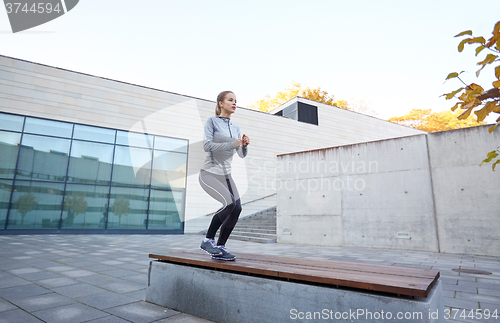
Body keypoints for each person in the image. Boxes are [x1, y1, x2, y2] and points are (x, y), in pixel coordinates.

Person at [199, 91, 250, 261]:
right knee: (229, 203)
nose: (234, 103)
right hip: (209, 173)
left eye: (236, 101)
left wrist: (244, 145)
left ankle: (220, 246)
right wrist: (231, 143)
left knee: (237, 208)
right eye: (230, 100)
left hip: (226, 175)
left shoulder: (235, 128)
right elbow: (207, 146)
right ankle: (208, 240)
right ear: (221, 103)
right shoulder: (211, 121)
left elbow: (241, 154)